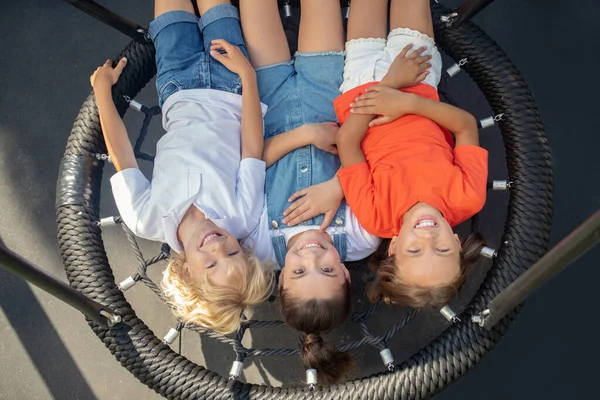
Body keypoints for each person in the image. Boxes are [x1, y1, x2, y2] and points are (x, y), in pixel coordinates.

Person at [90, 0, 274, 335]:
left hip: (177, 84)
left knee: (171, 8)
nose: (219, 246)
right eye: (233, 251)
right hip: (229, 86)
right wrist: (247, 77)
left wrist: (103, 93)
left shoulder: (148, 219)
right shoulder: (242, 216)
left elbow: (123, 155)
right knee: (215, 6)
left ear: (187, 273)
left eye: (212, 263)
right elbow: (251, 147)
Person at [238, 0, 381, 385]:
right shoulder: (360, 238)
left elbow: (250, 162)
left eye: (300, 271)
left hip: (266, 103)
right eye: (329, 269)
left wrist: (306, 135)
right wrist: (339, 185)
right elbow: (379, 166)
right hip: (328, 90)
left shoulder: (260, 244)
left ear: (280, 279)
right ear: (348, 277)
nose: (313, 255)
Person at [333, 0, 488, 308]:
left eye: (415, 251)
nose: (427, 239)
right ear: (457, 244)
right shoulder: (467, 198)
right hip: (417, 75)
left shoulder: (377, 217)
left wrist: (389, 85)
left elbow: (347, 143)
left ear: (393, 249)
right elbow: (467, 127)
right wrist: (408, 103)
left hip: (360, 85)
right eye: (442, 250)